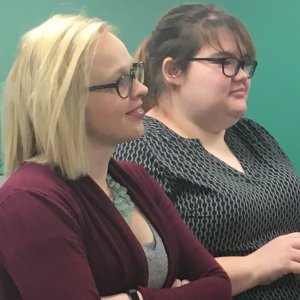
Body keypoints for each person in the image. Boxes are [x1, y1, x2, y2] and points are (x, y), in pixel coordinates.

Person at [0, 13, 232, 300]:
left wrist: (133, 298)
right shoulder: (29, 200)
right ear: (65, 99)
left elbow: (218, 284)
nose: (142, 89)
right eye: (121, 81)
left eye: (134, 74)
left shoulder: (135, 179)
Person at [114, 3, 300, 300]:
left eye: (245, 63)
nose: (242, 75)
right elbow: (159, 280)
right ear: (173, 70)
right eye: (226, 62)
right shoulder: (141, 149)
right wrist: (256, 265)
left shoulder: (253, 135)